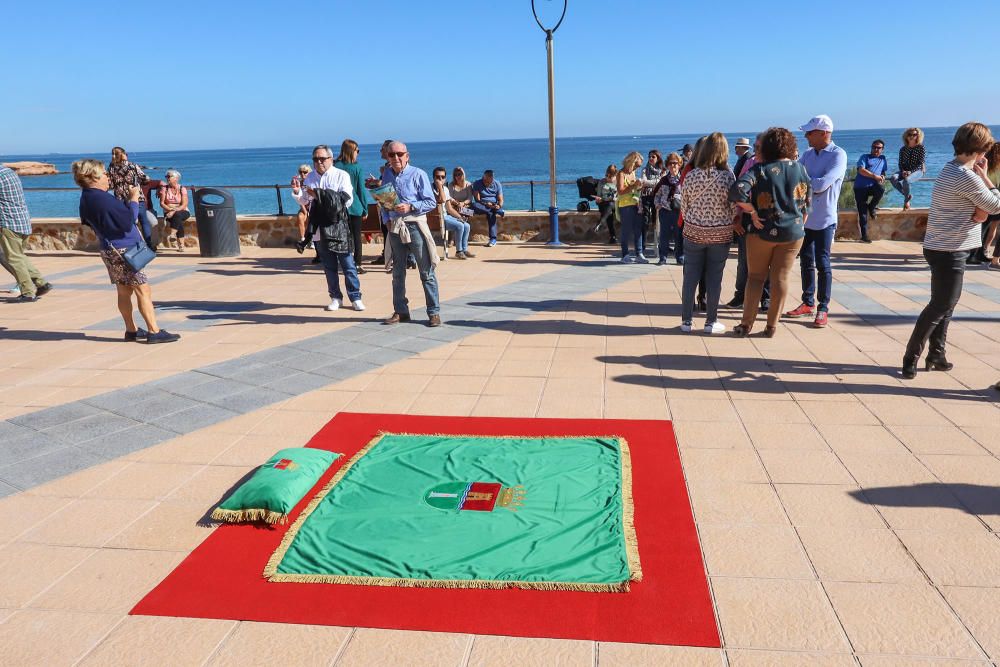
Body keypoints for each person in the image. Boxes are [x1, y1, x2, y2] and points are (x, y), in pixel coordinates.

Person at [901, 122, 1000, 379]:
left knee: (947, 304)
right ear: (980, 149)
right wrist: (987, 177)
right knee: (940, 305)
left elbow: (984, 208)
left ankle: (937, 354)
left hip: (940, 246)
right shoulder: (965, 176)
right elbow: (996, 205)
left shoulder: (950, 168)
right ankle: (911, 357)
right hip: (950, 249)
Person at [72, 159, 179, 343]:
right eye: (104, 173)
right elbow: (127, 220)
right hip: (123, 249)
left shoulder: (87, 197)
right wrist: (133, 200)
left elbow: (89, 221)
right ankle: (154, 331)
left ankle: (131, 330)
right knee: (142, 289)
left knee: (123, 291)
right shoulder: (102, 198)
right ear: (94, 177)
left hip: (109, 248)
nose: (108, 176)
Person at [730, 127, 812, 338]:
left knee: (756, 277)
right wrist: (800, 221)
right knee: (781, 279)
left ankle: (746, 324)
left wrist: (752, 210)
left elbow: (736, 190)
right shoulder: (800, 168)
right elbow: (807, 201)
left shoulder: (760, 169)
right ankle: (771, 326)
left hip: (761, 231)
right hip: (793, 233)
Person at [784, 115, 847, 328]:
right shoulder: (808, 154)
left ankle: (823, 307)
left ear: (824, 133)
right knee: (805, 261)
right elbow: (793, 176)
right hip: (805, 217)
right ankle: (808, 302)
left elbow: (822, 184)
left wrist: (804, 182)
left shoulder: (838, 155)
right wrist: (804, 182)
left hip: (825, 219)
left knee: (823, 262)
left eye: (810, 133)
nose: (806, 136)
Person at [292, 145, 364, 312]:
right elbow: (305, 200)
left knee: (348, 264)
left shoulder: (341, 175)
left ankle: (355, 297)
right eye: (315, 159)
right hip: (318, 228)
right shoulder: (309, 178)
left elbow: (347, 200)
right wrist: (297, 192)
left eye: (322, 159)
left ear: (331, 159)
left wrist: (319, 194)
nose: (319, 162)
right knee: (329, 266)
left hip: (338, 226)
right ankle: (335, 297)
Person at [679, 132, 736, 334]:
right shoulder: (728, 177)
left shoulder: (692, 174)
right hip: (720, 235)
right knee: (714, 278)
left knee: (690, 277)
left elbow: (683, 206)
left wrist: (694, 220)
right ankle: (711, 322)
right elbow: (733, 208)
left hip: (694, 232)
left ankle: (686, 321)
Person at [379, 141, 441, 327]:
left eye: (399, 154)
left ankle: (434, 312)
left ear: (407, 155)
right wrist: (387, 221)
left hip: (414, 226)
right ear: (387, 157)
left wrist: (411, 206)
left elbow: (431, 202)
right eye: (392, 155)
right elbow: (384, 202)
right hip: (396, 227)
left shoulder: (418, 174)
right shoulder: (387, 175)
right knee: (397, 273)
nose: (396, 158)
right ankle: (401, 311)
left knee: (426, 271)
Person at [728, 133, 770, 310]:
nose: (755, 149)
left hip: (770, 218)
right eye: (755, 146)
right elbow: (739, 191)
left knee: (769, 261)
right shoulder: (750, 163)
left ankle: (766, 298)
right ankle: (740, 296)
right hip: (747, 217)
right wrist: (737, 217)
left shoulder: (781, 166)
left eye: (759, 146)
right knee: (744, 260)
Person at [0, 165, 52, 302]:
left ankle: (28, 292)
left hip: (8, 223)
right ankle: (41, 283)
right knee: (19, 256)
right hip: (22, 221)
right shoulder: (8, 171)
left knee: (14, 259)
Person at [334, 139, 374, 273]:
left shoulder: (335, 166)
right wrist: (365, 208)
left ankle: (344, 262)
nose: (358, 153)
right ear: (352, 151)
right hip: (354, 206)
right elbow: (360, 190)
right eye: (357, 151)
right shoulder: (357, 168)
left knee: (342, 236)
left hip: (338, 207)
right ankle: (357, 264)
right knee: (356, 236)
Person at [107, 147, 157, 249]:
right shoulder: (132, 166)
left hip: (120, 199)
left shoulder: (111, 167)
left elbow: (111, 185)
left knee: (129, 222)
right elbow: (145, 178)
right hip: (136, 196)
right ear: (124, 154)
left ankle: (132, 245)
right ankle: (148, 245)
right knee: (144, 221)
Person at [432, 166, 475, 259]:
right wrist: (439, 187)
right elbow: (441, 199)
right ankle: (458, 251)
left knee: (466, 225)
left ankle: (464, 249)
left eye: (442, 177)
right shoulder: (430, 189)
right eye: (438, 177)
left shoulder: (447, 189)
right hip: (436, 218)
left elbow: (449, 208)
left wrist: (460, 217)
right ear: (433, 178)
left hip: (447, 215)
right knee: (459, 226)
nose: (440, 179)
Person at [853, 140, 888, 243]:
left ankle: (872, 206)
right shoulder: (864, 157)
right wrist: (874, 176)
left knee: (881, 189)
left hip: (873, 186)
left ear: (882, 149)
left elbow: (883, 171)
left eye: (878, 148)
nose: (876, 149)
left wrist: (882, 176)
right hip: (860, 187)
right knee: (862, 212)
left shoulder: (883, 159)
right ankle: (864, 236)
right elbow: (860, 170)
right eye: (874, 147)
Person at [652, 153, 682, 265]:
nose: (673, 166)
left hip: (679, 211)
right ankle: (662, 258)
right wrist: (657, 204)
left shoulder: (683, 179)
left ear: (679, 165)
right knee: (664, 236)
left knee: (679, 235)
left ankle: (680, 257)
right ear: (667, 165)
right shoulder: (663, 180)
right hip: (665, 211)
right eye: (670, 163)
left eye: (675, 163)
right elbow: (657, 194)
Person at [616, 151, 646, 263]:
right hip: (625, 205)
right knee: (626, 230)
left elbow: (633, 190)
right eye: (637, 165)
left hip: (635, 204)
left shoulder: (632, 173)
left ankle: (639, 254)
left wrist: (638, 187)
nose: (637, 168)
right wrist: (634, 186)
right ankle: (625, 255)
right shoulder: (621, 174)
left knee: (638, 229)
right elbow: (620, 191)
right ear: (632, 162)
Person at [889, 128, 927, 210]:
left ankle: (906, 201)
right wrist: (903, 171)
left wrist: (910, 171)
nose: (912, 136)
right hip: (904, 170)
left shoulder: (921, 148)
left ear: (918, 136)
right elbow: (900, 163)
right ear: (906, 136)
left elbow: (920, 163)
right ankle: (907, 196)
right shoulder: (903, 149)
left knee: (906, 181)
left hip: (917, 171)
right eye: (910, 134)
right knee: (893, 178)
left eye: (914, 135)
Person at [156, 169, 190, 252]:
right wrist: (171, 210)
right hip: (168, 211)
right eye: (166, 176)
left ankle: (172, 234)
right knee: (178, 219)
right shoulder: (164, 189)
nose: (167, 178)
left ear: (176, 178)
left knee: (177, 215)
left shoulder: (182, 188)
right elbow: (162, 203)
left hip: (183, 211)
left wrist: (173, 211)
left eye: (169, 176)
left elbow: (184, 204)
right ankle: (181, 245)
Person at [471, 170, 505, 247]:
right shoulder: (477, 183)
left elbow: (501, 199)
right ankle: (497, 211)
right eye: (486, 181)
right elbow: (477, 199)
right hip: (482, 205)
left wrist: (499, 206)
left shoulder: (497, 184)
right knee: (474, 205)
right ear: (484, 177)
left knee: (490, 213)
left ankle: (493, 239)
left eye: (490, 181)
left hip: (493, 205)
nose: (488, 183)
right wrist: (487, 204)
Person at [982, 143, 1000, 270]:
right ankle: (980, 251)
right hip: (989, 196)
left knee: (993, 225)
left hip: (997, 195)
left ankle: (986, 250)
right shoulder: (987, 166)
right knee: (984, 225)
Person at [640, 149, 664, 235]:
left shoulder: (663, 170)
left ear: (658, 158)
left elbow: (660, 183)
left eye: (653, 157)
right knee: (645, 219)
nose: (650, 158)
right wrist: (655, 182)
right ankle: (642, 243)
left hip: (657, 197)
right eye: (649, 157)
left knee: (656, 220)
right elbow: (643, 181)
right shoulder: (644, 170)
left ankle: (656, 244)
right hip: (646, 196)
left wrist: (648, 183)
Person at [594, 165, 618, 244]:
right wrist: (598, 199)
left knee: (610, 207)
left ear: (615, 175)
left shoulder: (618, 181)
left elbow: (620, 194)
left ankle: (602, 223)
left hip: (616, 203)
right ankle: (613, 237)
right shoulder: (602, 182)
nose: (608, 178)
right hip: (603, 203)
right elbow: (598, 195)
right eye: (607, 175)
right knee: (609, 210)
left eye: (611, 176)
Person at [292, 164, 312, 249]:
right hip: (304, 206)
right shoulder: (298, 183)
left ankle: (312, 241)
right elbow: (300, 200)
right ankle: (303, 239)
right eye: (301, 172)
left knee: (311, 218)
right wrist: (305, 211)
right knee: (300, 217)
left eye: (305, 172)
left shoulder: (312, 181)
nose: (303, 174)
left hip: (313, 206)